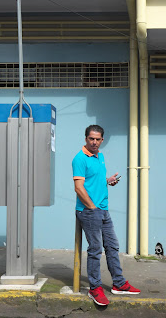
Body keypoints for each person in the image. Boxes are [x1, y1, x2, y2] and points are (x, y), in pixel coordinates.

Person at [72, 125, 140, 306]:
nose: (94, 142)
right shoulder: (80, 159)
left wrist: (107, 181)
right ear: (86, 138)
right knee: (95, 250)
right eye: (91, 139)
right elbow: (79, 188)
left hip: (103, 209)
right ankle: (95, 288)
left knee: (112, 246)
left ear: (102, 140)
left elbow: (94, 181)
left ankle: (119, 283)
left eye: (97, 139)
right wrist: (93, 208)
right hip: (88, 211)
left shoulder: (99, 156)